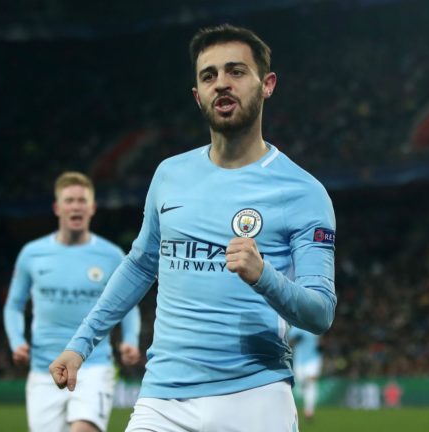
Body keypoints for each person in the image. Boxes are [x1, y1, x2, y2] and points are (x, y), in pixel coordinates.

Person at [49, 24, 337, 432]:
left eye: (236, 71)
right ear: (197, 95)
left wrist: (264, 276)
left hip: (254, 396)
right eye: (209, 75)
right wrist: (80, 344)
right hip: (163, 399)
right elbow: (139, 266)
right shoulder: (170, 175)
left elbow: (321, 312)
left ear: (267, 84)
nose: (221, 83)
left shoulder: (302, 193)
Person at [4, 171, 141, 432]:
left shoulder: (112, 255)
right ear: (57, 208)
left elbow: (128, 304)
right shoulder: (32, 254)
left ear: (92, 208)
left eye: (81, 200)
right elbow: (14, 305)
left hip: (93, 365)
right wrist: (16, 341)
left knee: (83, 428)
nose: (76, 206)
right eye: (69, 200)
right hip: (44, 369)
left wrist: (130, 340)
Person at [288, 326, 323, 421]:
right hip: (299, 361)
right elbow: (289, 341)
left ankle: (309, 411)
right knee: (301, 387)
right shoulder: (296, 327)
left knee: (311, 384)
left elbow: (320, 340)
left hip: (313, 360)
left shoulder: (314, 324)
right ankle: (294, 409)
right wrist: (296, 339)